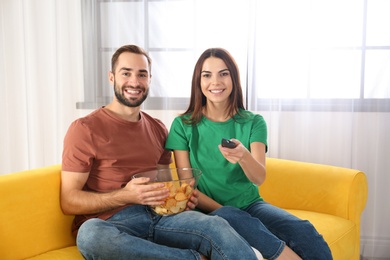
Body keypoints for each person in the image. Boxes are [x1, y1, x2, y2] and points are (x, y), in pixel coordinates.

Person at [60, 44, 259, 260]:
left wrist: (181, 198)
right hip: (114, 223)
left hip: (163, 215)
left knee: (216, 224)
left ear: (149, 79)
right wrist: (124, 196)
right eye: (126, 73)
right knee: (90, 235)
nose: (134, 82)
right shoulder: (85, 129)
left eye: (142, 74)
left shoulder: (157, 128)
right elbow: (69, 200)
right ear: (111, 77)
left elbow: (169, 182)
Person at [165, 47, 333, 260]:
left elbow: (259, 177)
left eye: (223, 74)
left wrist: (244, 156)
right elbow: (187, 187)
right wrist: (228, 212)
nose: (215, 82)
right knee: (232, 216)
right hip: (207, 210)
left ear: (234, 79)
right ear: (198, 81)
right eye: (207, 75)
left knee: (304, 230)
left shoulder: (253, 122)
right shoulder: (183, 125)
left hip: (251, 204)